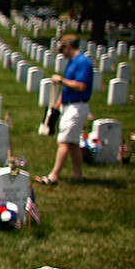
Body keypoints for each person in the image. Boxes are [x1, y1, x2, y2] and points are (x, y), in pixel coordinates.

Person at [37, 34, 94, 185]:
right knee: (73, 144)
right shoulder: (72, 63)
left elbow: (81, 86)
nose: (61, 53)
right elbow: (69, 88)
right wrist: (56, 105)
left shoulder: (83, 63)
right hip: (70, 105)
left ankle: (53, 176)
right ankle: (78, 176)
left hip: (77, 106)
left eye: (62, 49)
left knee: (63, 141)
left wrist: (61, 80)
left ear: (69, 47)